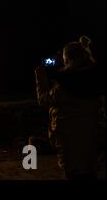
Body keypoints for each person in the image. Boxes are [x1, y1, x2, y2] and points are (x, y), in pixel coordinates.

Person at [35, 36, 102, 179]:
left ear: (68, 59)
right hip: (90, 135)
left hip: (69, 139)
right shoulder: (94, 77)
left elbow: (44, 100)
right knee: (89, 172)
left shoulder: (66, 83)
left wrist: (40, 78)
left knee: (74, 174)